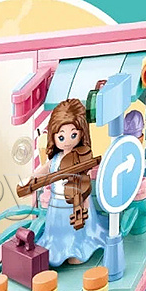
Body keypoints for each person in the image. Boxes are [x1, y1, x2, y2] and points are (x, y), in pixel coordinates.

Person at [34, 99, 107, 266]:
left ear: (81, 133)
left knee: (78, 232)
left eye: (73, 134)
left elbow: (84, 182)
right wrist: (31, 179)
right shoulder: (55, 159)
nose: (67, 140)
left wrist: (85, 203)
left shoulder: (81, 158)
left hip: (76, 203)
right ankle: (59, 251)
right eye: (61, 136)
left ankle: (78, 249)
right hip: (57, 207)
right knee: (58, 234)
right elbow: (43, 170)